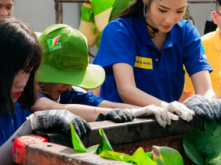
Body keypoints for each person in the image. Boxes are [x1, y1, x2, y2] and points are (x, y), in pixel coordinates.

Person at [93, 0, 221, 123]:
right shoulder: (119, 31)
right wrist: (166, 106)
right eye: (162, 10)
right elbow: (126, 90)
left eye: (179, 10)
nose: (170, 20)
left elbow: (205, 89)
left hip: (167, 126)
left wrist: (214, 103)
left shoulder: (186, 32)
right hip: (120, 126)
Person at [0, 17, 90, 165]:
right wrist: (32, 124)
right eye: (15, 71)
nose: (22, 83)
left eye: (28, 72)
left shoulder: (17, 107)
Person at [34, 24, 182, 127]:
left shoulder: (68, 94)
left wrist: (145, 110)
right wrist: (113, 113)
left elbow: (105, 104)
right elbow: (49, 107)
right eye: (61, 78)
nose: (69, 85)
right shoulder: (30, 93)